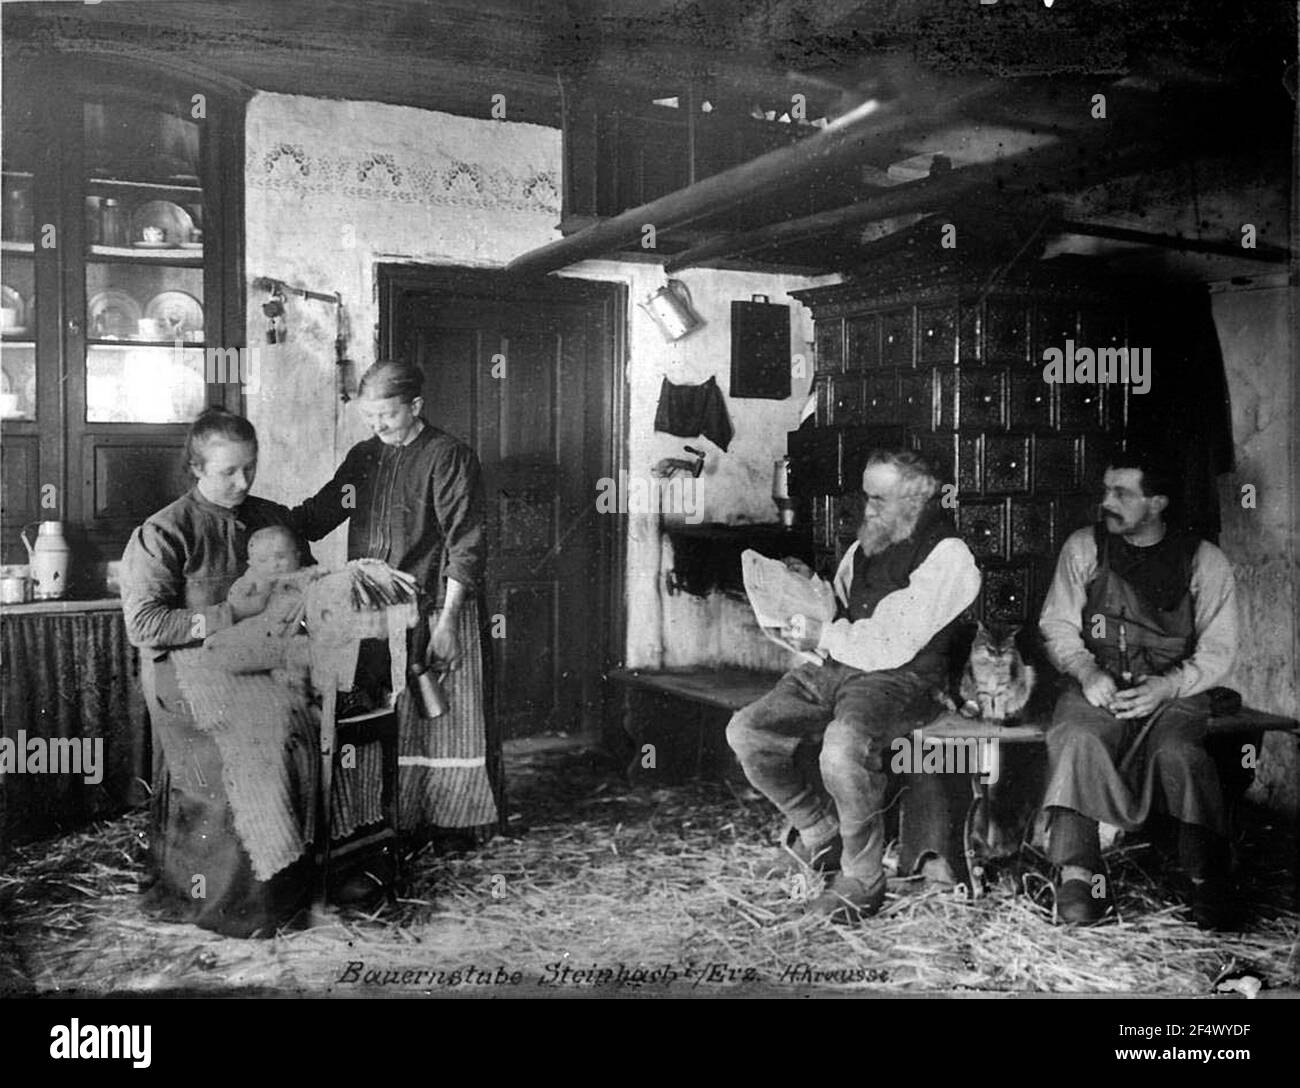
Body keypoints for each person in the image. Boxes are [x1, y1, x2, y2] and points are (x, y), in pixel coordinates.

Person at [727, 449, 982, 922]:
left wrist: (823, 634)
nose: (867, 509)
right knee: (748, 730)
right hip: (840, 667)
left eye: (879, 499)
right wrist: (808, 590)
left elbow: (892, 642)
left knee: (842, 748)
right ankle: (819, 830)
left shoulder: (950, 557)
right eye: (866, 496)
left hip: (902, 679)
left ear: (918, 499)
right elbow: (843, 607)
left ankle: (863, 878)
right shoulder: (866, 543)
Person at [290, 360, 499, 857]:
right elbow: (319, 515)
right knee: (383, 713)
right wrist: (260, 524)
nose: (377, 426)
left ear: (416, 407)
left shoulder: (449, 457)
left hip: (437, 605)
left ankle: (451, 823)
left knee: (439, 718)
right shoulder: (364, 457)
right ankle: (391, 820)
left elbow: (465, 545)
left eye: (386, 415)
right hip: (374, 614)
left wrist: (447, 624)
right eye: (370, 416)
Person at [121, 408, 317, 937]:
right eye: (228, 471)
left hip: (259, 665)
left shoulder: (270, 519)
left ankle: (291, 884)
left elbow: (306, 587)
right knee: (255, 738)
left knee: (308, 718)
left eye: (250, 468)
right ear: (196, 467)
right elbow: (145, 625)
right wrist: (230, 615)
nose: (243, 482)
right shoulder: (164, 532)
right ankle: (236, 907)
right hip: (185, 674)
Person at [1038, 448, 1239, 928]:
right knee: (1076, 740)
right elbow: (1057, 626)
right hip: (1098, 687)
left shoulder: (1205, 562)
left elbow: (1218, 652)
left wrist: (1169, 687)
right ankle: (1079, 877)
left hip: (1172, 694)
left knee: (1179, 755)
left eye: (1122, 493)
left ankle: (1208, 878)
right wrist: (1087, 673)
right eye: (1106, 490)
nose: (1107, 501)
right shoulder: (1083, 549)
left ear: (1158, 503)